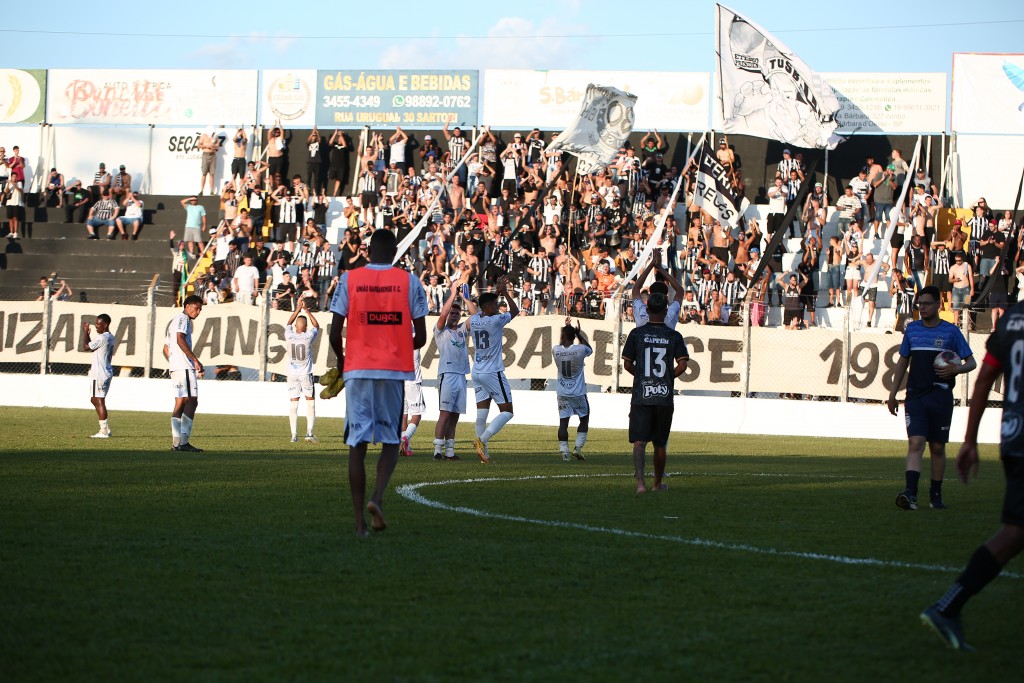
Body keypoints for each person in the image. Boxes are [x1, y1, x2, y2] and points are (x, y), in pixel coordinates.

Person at [919, 299, 1024, 651]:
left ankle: (948, 607)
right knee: (1013, 533)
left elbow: (984, 380)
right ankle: (947, 607)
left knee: (1016, 533)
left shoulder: (1013, 318)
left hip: (1014, 437)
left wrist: (970, 441)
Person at [328, 228, 428, 536]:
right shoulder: (410, 282)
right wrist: (393, 345)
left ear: (369, 251)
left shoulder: (349, 279)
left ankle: (359, 524)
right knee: (390, 441)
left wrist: (344, 361)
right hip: (392, 370)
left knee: (356, 445)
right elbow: (421, 337)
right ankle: (377, 498)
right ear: (396, 252)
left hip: (357, 369)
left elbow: (334, 333)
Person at [886, 286, 976, 511]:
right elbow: (903, 362)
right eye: (919, 304)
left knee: (937, 447)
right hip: (915, 397)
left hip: (941, 397)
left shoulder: (951, 332)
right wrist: (892, 393)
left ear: (938, 305)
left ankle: (935, 496)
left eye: (926, 304)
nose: (922, 308)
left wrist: (956, 370)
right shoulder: (912, 330)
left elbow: (971, 362)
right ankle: (911, 494)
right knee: (915, 443)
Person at [622, 292, 689, 494]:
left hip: (642, 393)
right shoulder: (674, 335)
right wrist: (667, 379)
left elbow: (627, 364)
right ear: (666, 310)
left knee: (639, 442)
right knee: (660, 443)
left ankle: (640, 484)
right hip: (663, 396)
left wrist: (642, 377)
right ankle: (657, 484)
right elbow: (683, 364)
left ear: (648, 309)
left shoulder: (637, 333)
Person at [469, 276, 520, 464]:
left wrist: (496, 294)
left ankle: (484, 456)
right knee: (507, 411)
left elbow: (485, 308)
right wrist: (505, 292)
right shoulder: (495, 320)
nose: (499, 308)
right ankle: (481, 440)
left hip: (477, 371)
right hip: (492, 371)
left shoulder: (474, 320)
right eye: (496, 305)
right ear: (488, 307)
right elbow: (515, 310)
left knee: (481, 414)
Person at [432, 275, 474, 461]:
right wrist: (452, 294)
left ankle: (450, 451)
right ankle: (437, 450)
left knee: (455, 415)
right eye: (452, 313)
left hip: (461, 376)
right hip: (447, 374)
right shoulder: (441, 331)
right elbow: (442, 315)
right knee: (445, 413)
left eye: (457, 313)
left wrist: (465, 299)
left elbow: (476, 316)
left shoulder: (461, 331)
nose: (454, 315)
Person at [164, 295, 205, 452]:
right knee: (192, 401)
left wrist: (174, 361)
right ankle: (183, 442)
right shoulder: (182, 319)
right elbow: (180, 339)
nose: (198, 312)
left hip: (176, 367)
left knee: (180, 402)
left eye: (200, 309)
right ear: (187, 306)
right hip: (184, 367)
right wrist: (194, 360)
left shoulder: (175, 321)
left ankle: (176, 443)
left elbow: (166, 347)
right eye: (196, 308)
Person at [553, 317, 593, 461]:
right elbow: (590, 349)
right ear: (573, 337)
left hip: (562, 392)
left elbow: (560, 345)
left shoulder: (556, 350)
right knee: (584, 418)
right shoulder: (580, 349)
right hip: (578, 392)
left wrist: (566, 329)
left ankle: (565, 453)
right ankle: (577, 448)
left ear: (562, 337)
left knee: (563, 422)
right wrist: (578, 334)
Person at [285, 299, 319, 443]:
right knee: (310, 402)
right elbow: (316, 325)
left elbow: (288, 323)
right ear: (305, 327)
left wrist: (298, 309)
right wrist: (306, 310)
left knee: (294, 404)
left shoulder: (289, 335)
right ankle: (309, 433)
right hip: (306, 374)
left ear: (296, 326)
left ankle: (294, 436)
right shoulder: (308, 336)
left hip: (292, 374)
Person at [82, 314, 116, 439]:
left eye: (98, 324)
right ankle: (105, 428)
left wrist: (85, 332)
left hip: (100, 373)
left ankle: (104, 431)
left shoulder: (102, 338)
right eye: (95, 323)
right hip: (105, 371)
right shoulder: (110, 337)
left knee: (99, 400)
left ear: (105, 325)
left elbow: (86, 347)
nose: (96, 326)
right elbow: (92, 347)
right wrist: (89, 335)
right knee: (94, 399)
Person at [632, 251, 684, 328]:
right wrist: (660, 268)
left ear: (649, 295)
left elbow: (636, 288)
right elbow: (680, 290)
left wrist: (651, 264)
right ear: (666, 297)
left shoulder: (641, 312)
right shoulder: (670, 314)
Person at [399, 332, 425, 458]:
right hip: (413, 380)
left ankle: (405, 446)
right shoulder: (415, 335)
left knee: (404, 413)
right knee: (416, 414)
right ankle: (405, 437)